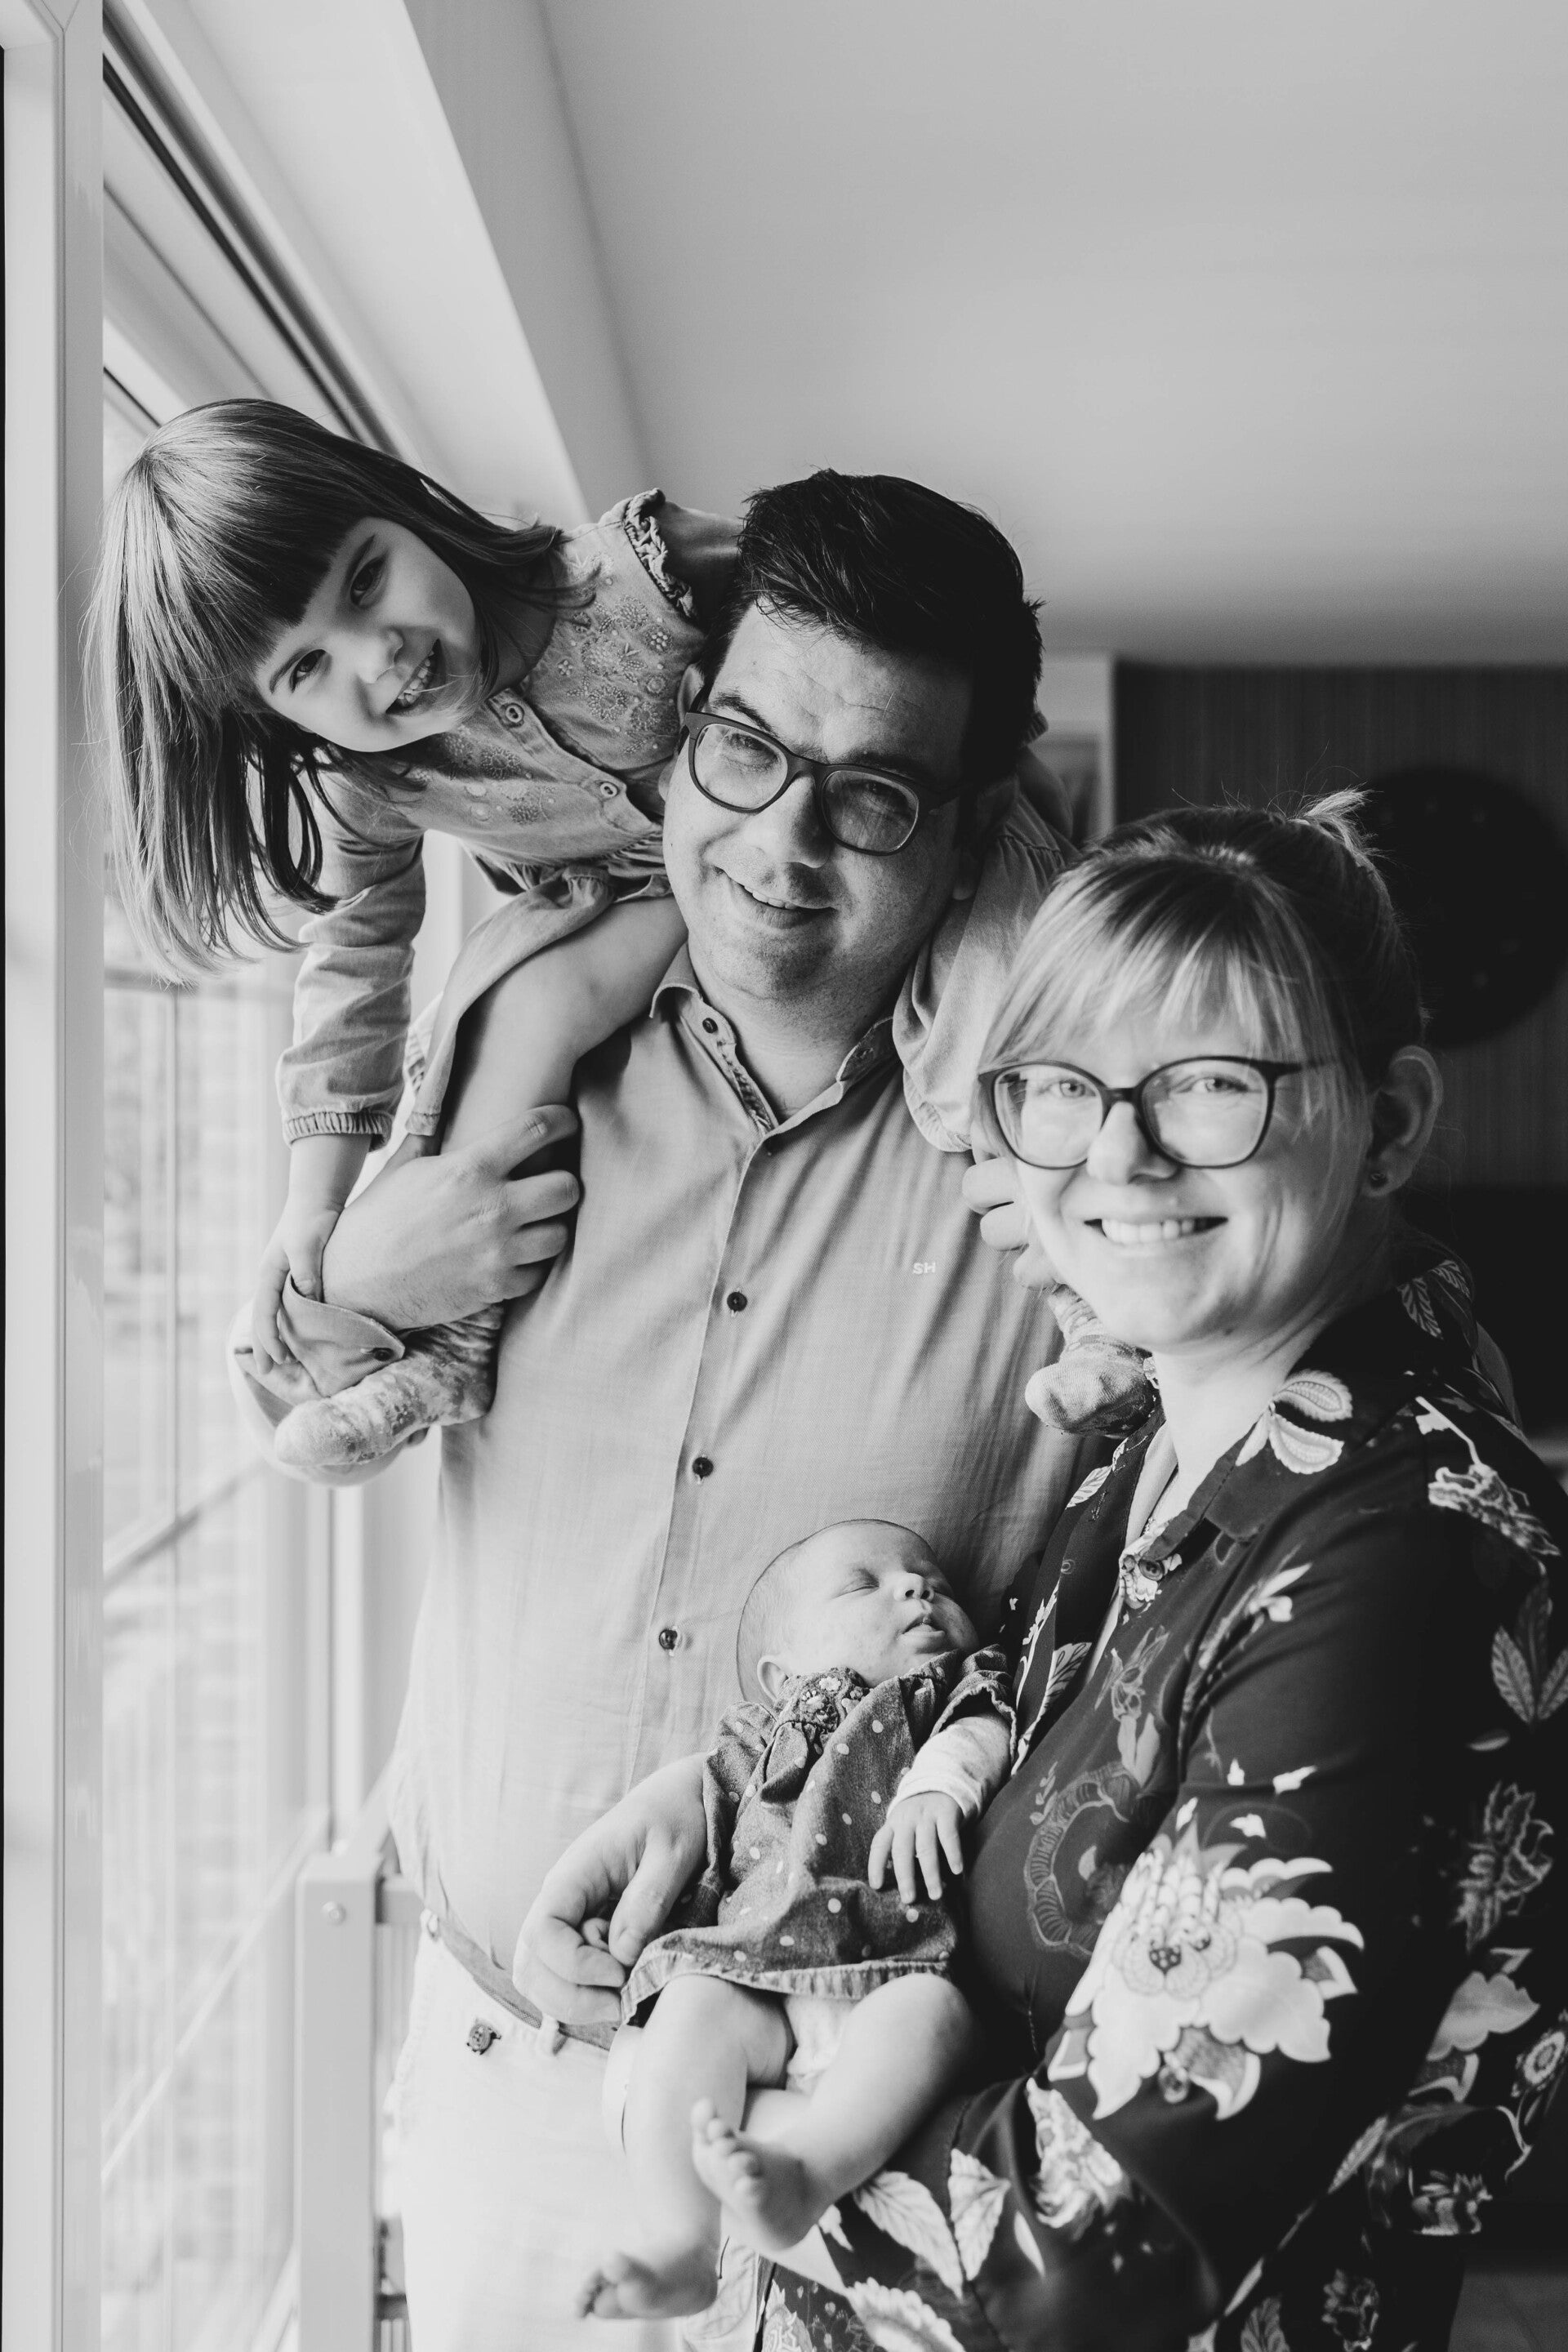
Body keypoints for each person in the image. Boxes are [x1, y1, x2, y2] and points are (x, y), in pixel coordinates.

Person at [228, 469, 1094, 2351]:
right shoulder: (512, 1049)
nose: (784, 841)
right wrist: (348, 1276)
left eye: (873, 796)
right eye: (747, 750)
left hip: (865, 2112)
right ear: (687, 726)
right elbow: (302, 1394)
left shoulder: (1064, 1189)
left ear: (966, 832)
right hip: (496, 2086)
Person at [525, 795, 1568, 2352]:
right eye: (1065, 1091)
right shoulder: (1145, 1456)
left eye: (1211, 1083)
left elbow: (1083, 2261)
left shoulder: (1409, 1559)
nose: (1120, 1154)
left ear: (1392, 1121)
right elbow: (978, 1740)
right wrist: (725, 1793)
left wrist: (694, 2102)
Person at [100, 403, 1142, 1465]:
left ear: (402, 507)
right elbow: (353, 966)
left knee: (994, 1010)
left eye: (367, 581)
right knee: (515, 1019)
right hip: (635, 904)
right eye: (306, 670)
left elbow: (853, 617)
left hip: (849, 837)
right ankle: (454, 1348)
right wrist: (313, 1208)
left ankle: (1096, 1306)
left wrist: (1000, 769)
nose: (380, 657)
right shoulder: (374, 780)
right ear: (274, 717)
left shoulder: (641, 574)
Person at [581, 1520, 1013, 2319]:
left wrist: (941, 1785)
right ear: (782, 1677)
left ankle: (807, 2172)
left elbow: (988, 1727)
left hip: (893, 1968)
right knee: (691, 2006)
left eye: (936, 1583)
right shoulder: (759, 1736)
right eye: (863, 1585)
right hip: (760, 1981)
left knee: (936, 2016)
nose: (917, 1588)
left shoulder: (949, 1691)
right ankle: (682, 2241)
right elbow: (706, 1819)